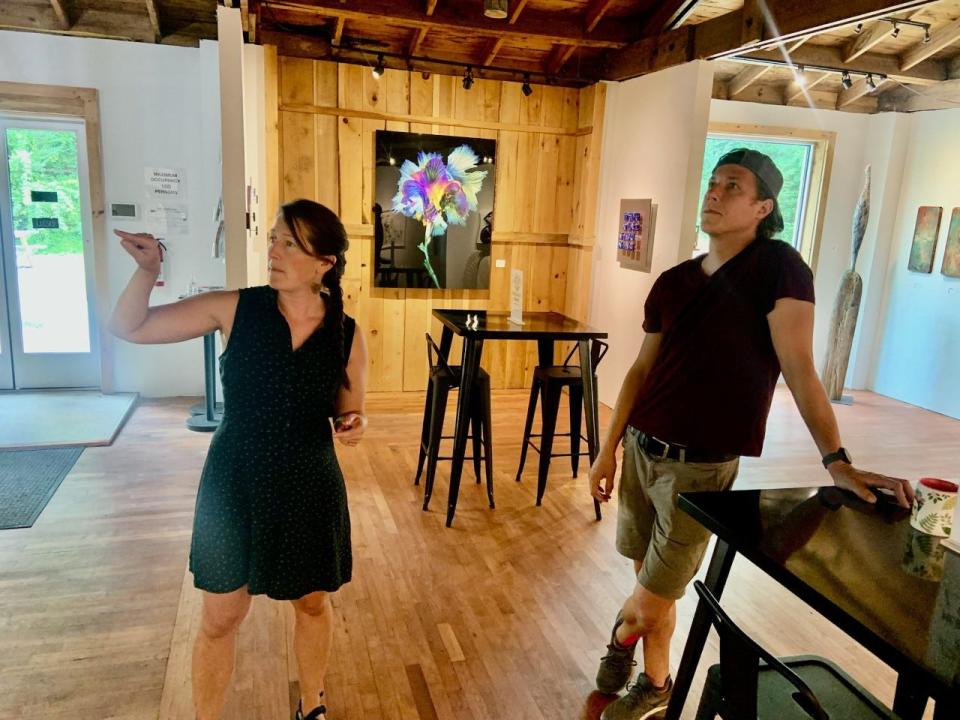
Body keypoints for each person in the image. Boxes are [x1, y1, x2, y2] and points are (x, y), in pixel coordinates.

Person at [587, 149, 914, 720]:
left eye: (731, 186)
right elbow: (641, 370)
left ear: (763, 206)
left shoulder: (779, 268)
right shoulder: (673, 281)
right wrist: (606, 449)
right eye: (712, 183)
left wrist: (836, 459)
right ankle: (659, 684)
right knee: (652, 588)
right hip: (642, 451)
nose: (714, 193)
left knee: (647, 601)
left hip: (702, 468)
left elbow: (800, 367)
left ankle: (620, 641)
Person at [110, 199, 368, 720]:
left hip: (308, 484)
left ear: (325, 264)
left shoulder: (347, 333)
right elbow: (129, 327)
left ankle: (312, 703)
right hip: (235, 482)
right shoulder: (235, 308)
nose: (272, 250)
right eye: (273, 238)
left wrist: (354, 424)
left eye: (289, 243)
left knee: (313, 603)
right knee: (221, 616)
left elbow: (351, 408)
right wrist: (148, 270)